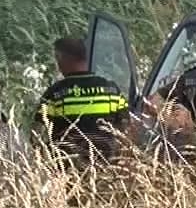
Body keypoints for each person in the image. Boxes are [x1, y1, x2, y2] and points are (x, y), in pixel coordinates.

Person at [37, 36, 132, 166]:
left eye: (57, 59)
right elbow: (126, 128)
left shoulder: (55, 94)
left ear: (62, 58)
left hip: (69, 169)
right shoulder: (111, 90)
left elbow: (37, 135)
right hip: (108, 168)